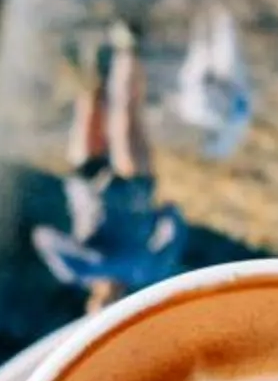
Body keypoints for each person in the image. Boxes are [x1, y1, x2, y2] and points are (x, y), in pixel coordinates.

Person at [32, 19, 187, 314]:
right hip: (134, 188)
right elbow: (172, 238)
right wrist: (169, 214)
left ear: (91, 303)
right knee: (125, 116)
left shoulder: (78, 270)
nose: (109, 299)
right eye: (113, 306)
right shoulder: (145, 272)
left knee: (89, 107)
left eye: (101, 304)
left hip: (87, 186)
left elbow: (43, 236)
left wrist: (88, 254)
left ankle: (89, 57)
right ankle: (127, 48)